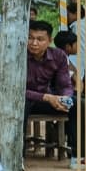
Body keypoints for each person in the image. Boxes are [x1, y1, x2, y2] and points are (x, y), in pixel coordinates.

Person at [24, 19, 82, 163]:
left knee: (78, 104)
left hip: (47, 100)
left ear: (49, 40)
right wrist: (48, 97)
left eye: (40, 39)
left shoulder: (58, 55)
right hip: (24, 100)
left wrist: (65, 98)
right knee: (20, 105)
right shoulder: (19, 56)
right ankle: (18, 157)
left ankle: (78, 156)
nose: (34, 43)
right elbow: (17, 91)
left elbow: (65, 84)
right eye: (30, 38)